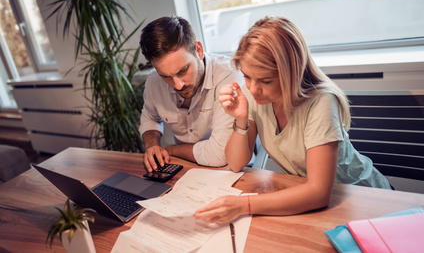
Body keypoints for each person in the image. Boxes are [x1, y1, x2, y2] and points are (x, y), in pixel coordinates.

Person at [194, 16, 391, 224]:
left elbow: (319, 193)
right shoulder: (254, 94)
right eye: (247, 76)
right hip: (317, 201)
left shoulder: (321, 102)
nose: (252, 89)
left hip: (365, 199)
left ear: (291, 73)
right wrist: (240, 119)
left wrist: (243, 205)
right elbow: (235, 163)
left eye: (265, 80)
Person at [139, 16, 243, 172]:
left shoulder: (229, 76)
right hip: (183, 166)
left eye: (183, 71)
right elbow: (150, 117)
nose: (178, 85)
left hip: (229, 170)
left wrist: (173, 150)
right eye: (166, 76)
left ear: (198, 50)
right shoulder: (154, 81)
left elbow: (219, 154)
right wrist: (152, 145)